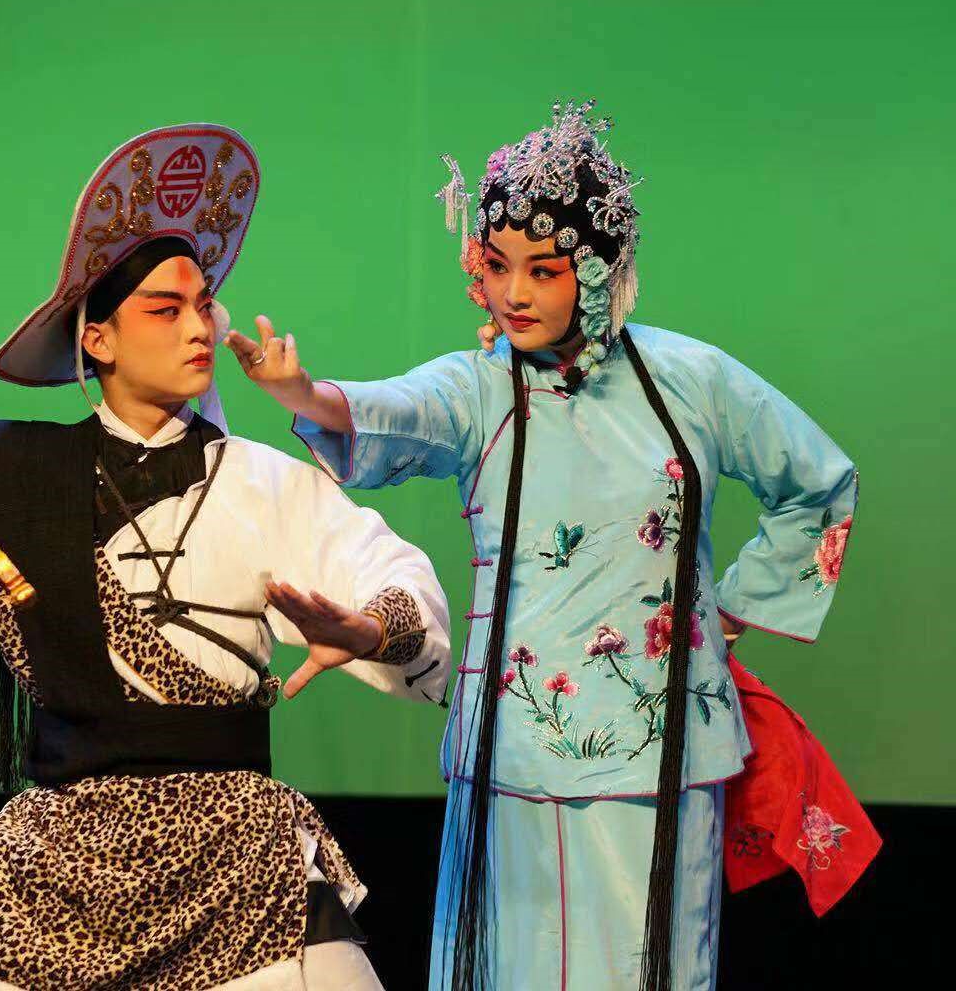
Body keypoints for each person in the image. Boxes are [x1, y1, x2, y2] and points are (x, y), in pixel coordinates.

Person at [0, 124, 452, 989]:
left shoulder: (263, 481)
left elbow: (393, 575)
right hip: (59, 851)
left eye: (203, 306)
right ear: (99, 341)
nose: (198, 326)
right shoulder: (5, 473)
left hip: (236, 850)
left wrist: (369, 630)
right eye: (165, 309)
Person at [227, 101, 858, 990]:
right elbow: (391, 409)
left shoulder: (693, 380)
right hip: (513, 751)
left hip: (660, 750)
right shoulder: (481, 389)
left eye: (544, 270)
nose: (515, 293)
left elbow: (819, 482)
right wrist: (303, 393)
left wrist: (734, 609)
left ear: (595, 271)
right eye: (497, 266)